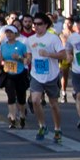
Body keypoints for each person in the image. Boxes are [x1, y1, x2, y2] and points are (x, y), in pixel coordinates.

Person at [26, 13, 66, 143]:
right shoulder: (30, 40)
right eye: (35, 24)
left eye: (39, 24)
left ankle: (57, 129)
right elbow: (29, 55)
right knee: (35, 100)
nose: (36, 26)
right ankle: (42, 126)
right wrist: (26, 60)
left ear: (46, 25)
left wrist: (49, 54)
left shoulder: (53, 39)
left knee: (53, 104)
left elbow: (63, 55)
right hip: (36, 75)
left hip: (51, 75)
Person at [0, 26, 29, 129]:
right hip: (8, 74)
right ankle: (12, 118)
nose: (9, 34)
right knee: (11, 96)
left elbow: (27, 60)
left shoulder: (21, 46)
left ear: (15, 34)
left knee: (21, 98)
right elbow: (1, 58)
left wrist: (19, 58)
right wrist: (2, 62)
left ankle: (22, 116)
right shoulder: (3, 46)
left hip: (20, 73)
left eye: (11, 32)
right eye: (7, 32)